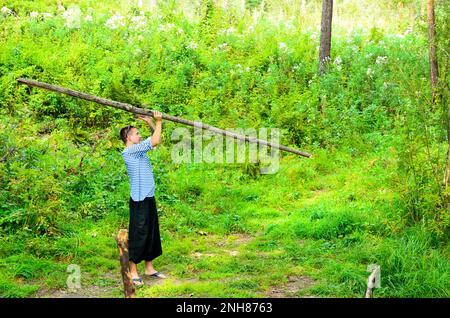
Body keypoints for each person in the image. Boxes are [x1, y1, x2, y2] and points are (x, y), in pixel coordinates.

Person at [119, 111, 165, 286]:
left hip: (148, 196)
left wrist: (152, 123)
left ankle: (149, 268)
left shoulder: (139, 151)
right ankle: (133, 270)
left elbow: (155, 141)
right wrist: (159, 120)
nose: (140, 136)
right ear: (128, 137)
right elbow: (155, 140)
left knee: (151, 232)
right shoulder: (131, 152)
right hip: (139, 200)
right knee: (139, 234)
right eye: (137, 133)